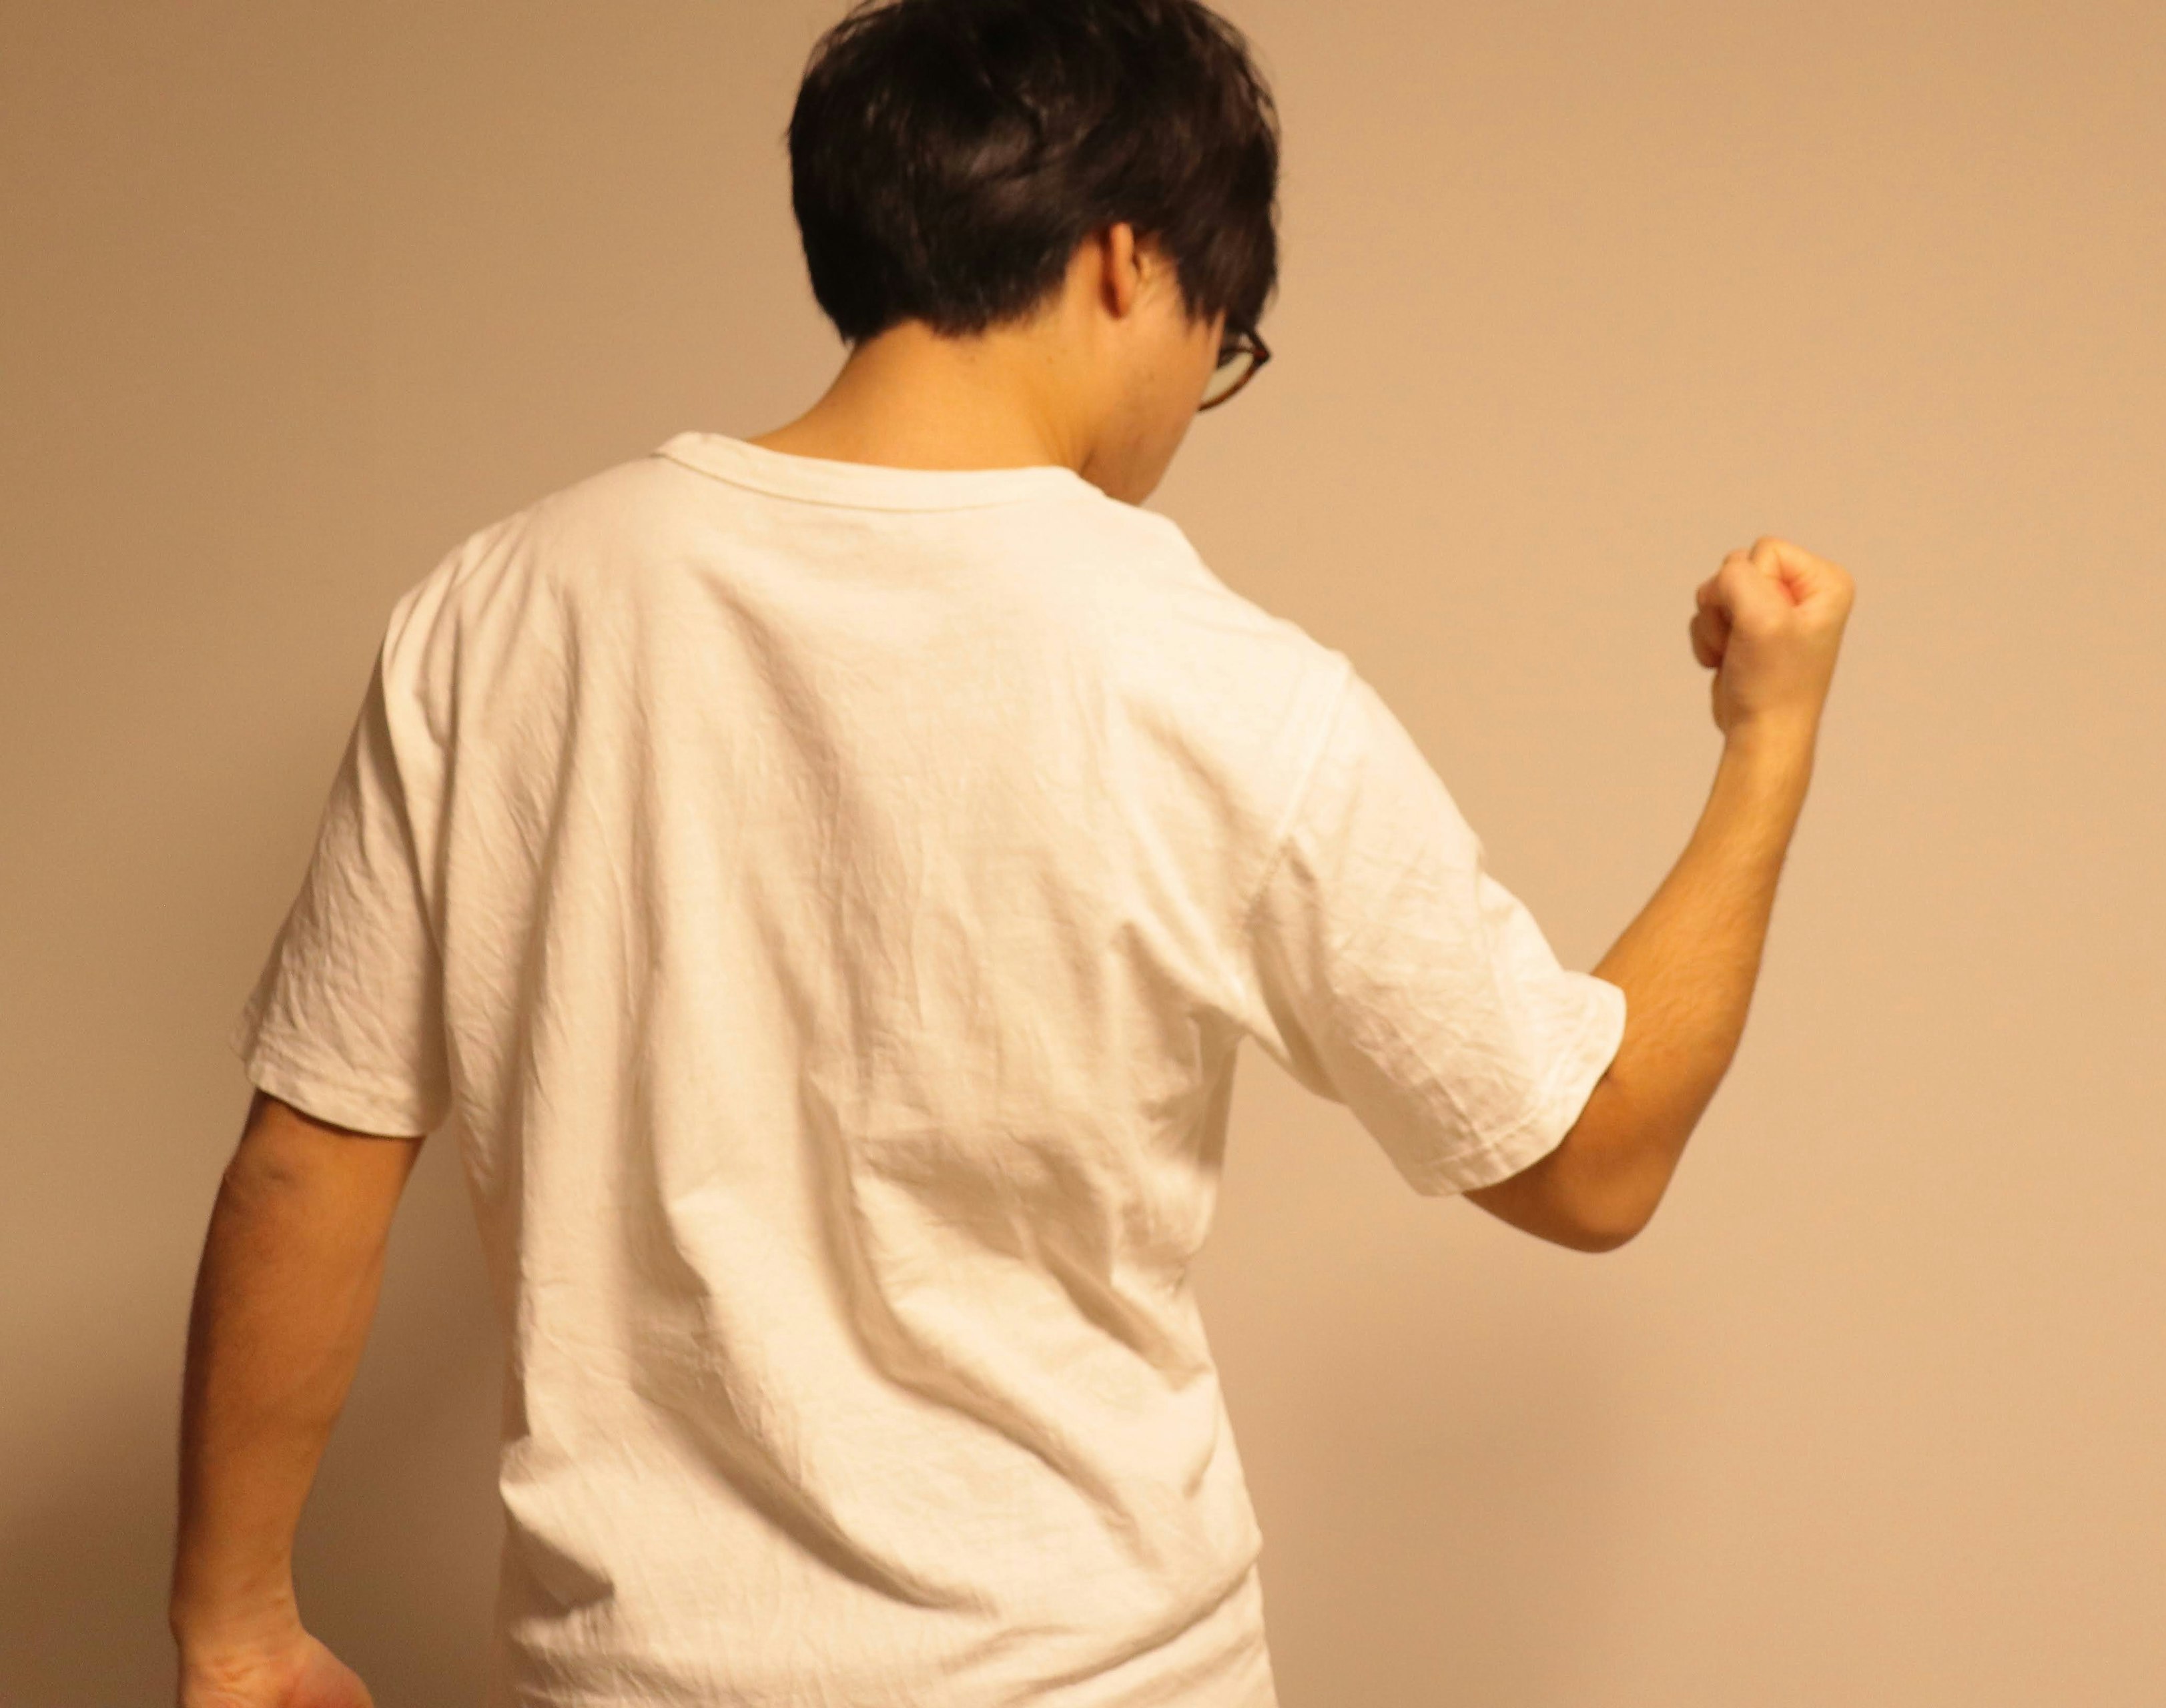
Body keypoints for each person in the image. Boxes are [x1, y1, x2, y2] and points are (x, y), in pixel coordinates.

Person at [167, 0, 1857, 1701]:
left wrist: (236, 1630)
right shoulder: (1221, 685)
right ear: (1131, 260)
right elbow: (1593, 1160)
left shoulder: (502, 612)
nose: (1205, 386)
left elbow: (310, 1157)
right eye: (1228, 330)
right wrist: (1767, 743)